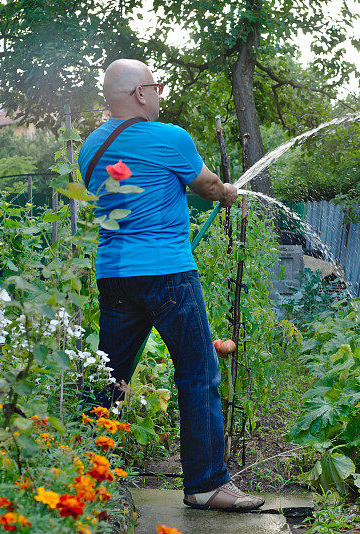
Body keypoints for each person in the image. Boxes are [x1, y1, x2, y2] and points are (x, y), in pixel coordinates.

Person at [78, 59, 264, 512]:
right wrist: (227, 192)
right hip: (168, 276)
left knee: (110, 380)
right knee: (199, 375)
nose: (160, 95)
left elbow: (119, 196)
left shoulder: (90, 147)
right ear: (141, 93)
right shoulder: (170, 138)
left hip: (115, 277)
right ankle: (205, 484)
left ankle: (87, 474)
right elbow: (206, 186)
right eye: (156, 87)